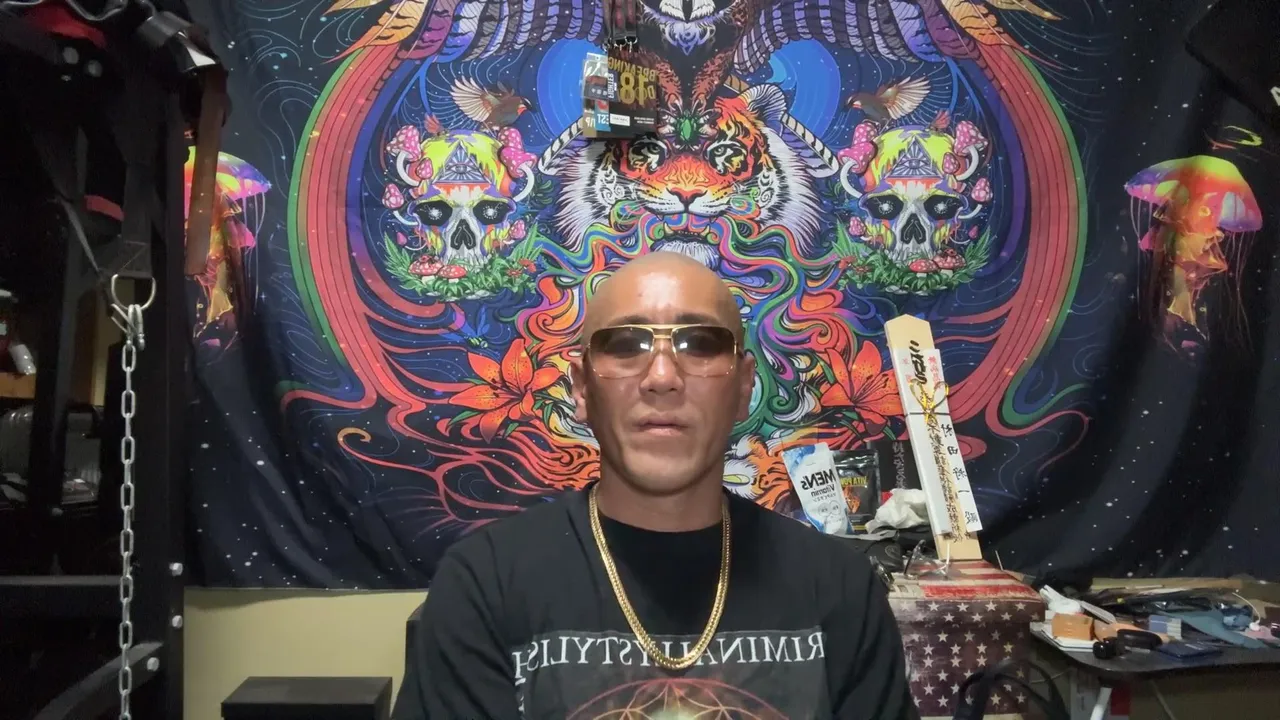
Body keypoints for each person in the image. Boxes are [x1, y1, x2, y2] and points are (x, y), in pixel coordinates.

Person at [394, 252, 919, 719]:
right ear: (582, 389)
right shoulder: (484, 587)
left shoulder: (839, 587)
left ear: (743, 388)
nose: (663, 376)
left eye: (701, 344)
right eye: (625, 344)